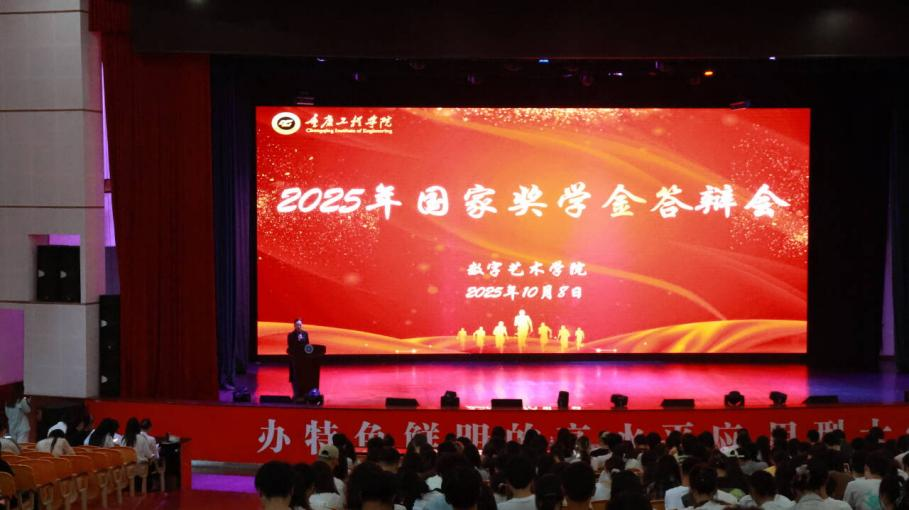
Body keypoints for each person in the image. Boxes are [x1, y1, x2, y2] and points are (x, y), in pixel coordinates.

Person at [287, 318, 311, 384]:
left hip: (303, 356)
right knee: (295, 374)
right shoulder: (290, 335)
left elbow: (307, 344)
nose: (299, 326)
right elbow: (290, 346)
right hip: (295, 356)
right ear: (294, 325)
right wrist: (298, 340)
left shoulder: (305, 333)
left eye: (300, 325)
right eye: (297, 325)